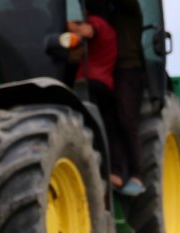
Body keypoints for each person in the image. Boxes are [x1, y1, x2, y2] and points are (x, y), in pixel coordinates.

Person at [67, 1, 127, 191]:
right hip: (106, 84)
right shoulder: (113, 31)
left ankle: (95, 168)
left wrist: (71, 28)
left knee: (87, 126)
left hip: (90, 82)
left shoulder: (96, 23)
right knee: (110, 127)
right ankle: (114, 172)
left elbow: (87, 32)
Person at [109, 0, 146, 196]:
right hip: (110, 69)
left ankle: (136, 175)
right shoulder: (110, 10)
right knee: (113, 121)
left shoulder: (130, 7)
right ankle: (115, 172)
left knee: (126, 119)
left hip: (129, 69)